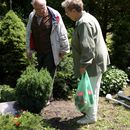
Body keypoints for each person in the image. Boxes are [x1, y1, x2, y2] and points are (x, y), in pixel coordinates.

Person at [61, 0, 110, 124]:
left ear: (73, 10)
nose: (66, 15)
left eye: (67, 12)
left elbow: (88, 47)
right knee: (92, 88)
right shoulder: (86, 17)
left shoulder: (84, 23)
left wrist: (83, 65)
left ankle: (91, 117)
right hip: (95, 60)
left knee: (91, 90)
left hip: (93, 63)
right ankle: (89, 112)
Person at [26, 0, 70, 103]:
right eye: (38, 9)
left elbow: (62, 33)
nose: (42, 10)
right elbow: (29, 33)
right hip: (38, 50)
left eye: (43, 7)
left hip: (52, 50)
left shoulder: (54, 15)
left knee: (49, 75)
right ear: (34, 8)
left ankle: (47, 98)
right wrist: (28, 49)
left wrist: (64, 49)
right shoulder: (32, 16)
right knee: (39, 72)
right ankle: (40, 94)